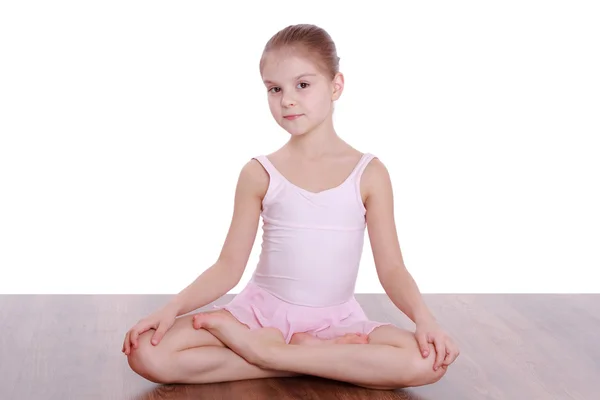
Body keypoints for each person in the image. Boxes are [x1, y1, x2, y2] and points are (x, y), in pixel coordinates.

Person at [122, 23, 460, 390]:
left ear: (336, 86)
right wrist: (172, 309)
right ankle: (315, 361)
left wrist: (424, 318)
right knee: (146, 352)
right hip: (259, 316)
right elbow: (228, 266)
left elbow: (392, 268)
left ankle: (269, 355)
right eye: (274, 89)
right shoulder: (260, 173)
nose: (287, 100)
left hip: (336, 324)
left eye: (302, 84)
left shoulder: (369, 174)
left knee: (428, 363)